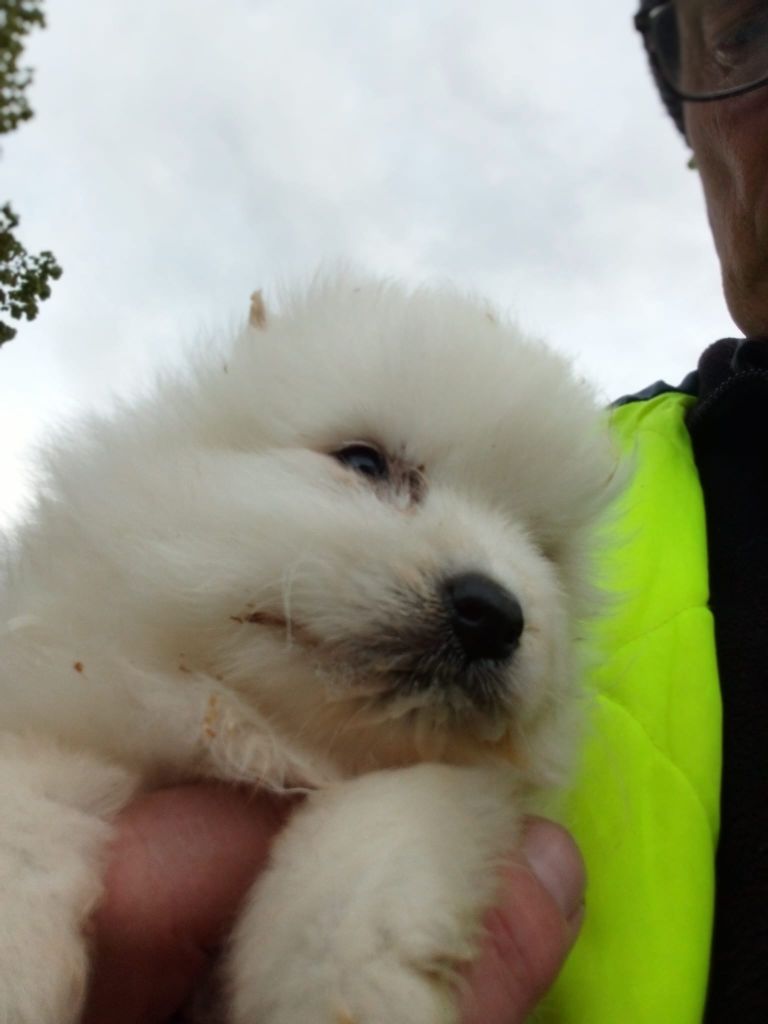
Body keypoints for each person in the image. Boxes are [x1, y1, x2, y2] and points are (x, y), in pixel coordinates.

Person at [83, 2, 768, 1020]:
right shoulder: (608, 476)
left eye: (541, 550)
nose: (495, 591)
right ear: (697, 137)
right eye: (747, 33)